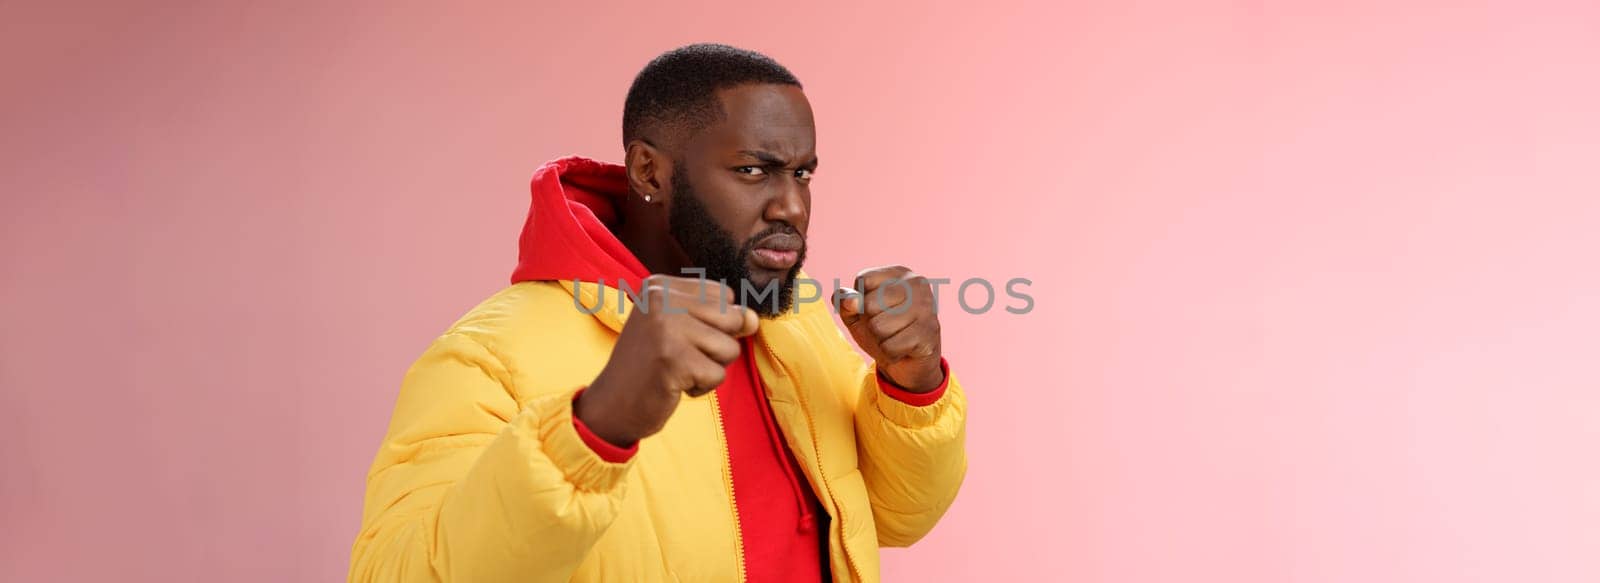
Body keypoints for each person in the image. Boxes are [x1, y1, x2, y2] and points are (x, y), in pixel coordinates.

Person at [348, 43, 968, 583]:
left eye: (802, 173)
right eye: (754, 170)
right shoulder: (486, 356)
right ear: (650, 170)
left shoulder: (793, 322)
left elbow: (893, 517)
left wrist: (913, 384)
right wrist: (597, 426)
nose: (793, 207)